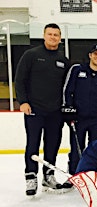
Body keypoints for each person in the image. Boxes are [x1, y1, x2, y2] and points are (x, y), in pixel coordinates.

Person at [15, 23, 72, 196]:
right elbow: (19, 80)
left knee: (52, 145)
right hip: (34, 109)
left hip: (55, 111)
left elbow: (68, 86)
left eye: (56, 35)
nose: (53, 37)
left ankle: (49, 176)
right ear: (44, 35)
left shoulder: (64, 60)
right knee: (33, 143)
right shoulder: (31, 55)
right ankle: (30, 177)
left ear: (60, 38)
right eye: (50, 34)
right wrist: (23, 101)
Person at [62, 44, 97, 175]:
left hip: (96, 119)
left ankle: (92, 173)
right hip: (78, 118)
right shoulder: (77, 70)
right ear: (90, 55)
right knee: (76, 147)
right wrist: (68, 109)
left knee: (95, 147)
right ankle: (74, 172)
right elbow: (67, 91)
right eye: (95, 54)